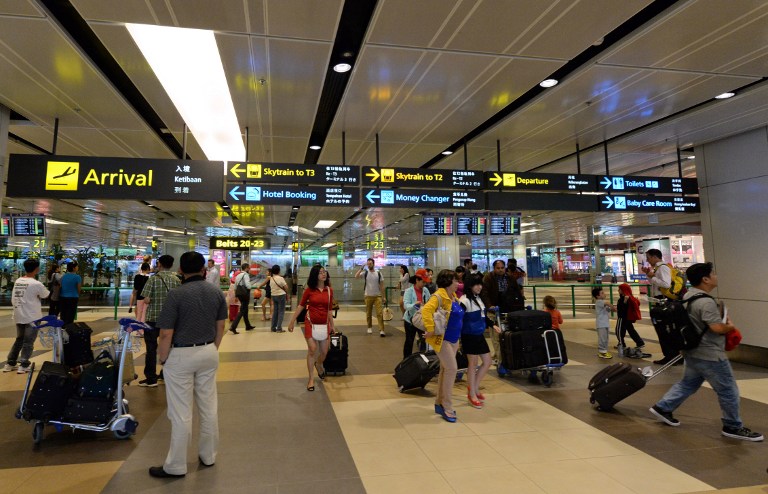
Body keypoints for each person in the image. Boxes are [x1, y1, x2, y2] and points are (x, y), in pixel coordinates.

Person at [649, 262, 763, 442]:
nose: (716, 276)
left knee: (688, 383)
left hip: (692, 351)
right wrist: (729, 326)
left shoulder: (687, 297)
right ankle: (732, 426)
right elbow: (717, 328)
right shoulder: (706, 302)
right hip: (710, 354)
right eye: (713, 274)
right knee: (728, 390)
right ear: (705, 279)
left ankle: (663, 407)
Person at [149, 251, 227, 478]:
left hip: (181, 354)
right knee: (209, 406)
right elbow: (220, 326)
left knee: (181, 412)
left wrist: (163, 358)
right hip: (209, 352)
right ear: (204, 269)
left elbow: (165, 333)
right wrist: (213, 348)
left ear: (180, 270)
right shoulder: (216, 292)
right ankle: (208, 455)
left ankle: (175, 466)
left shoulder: (176, 294)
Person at [422, 269, 462, 423]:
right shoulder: (439, 296)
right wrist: (430, 329)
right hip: (443, 340)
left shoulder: (453, 296)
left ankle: (439, 402)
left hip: (454, 339)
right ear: (448, 282)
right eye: (455, 281)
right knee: (452, 369)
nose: (458, 283)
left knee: (446, 370)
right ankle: (447, 406)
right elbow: (426, 310)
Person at [287, 265, 335, 391]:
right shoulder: (309, 290)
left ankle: (318, 364)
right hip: (310, 322)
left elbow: (330, 310)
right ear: (315, 275)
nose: (323, 274)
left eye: (324, 272)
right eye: (320, 272)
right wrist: (292, 321)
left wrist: (333, 326)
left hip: (324, 324)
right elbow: (301, 306)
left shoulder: (329, 290)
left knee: (324, 352)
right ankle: (311, 379)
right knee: (313, 349)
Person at [140, 255, 181, 387]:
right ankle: (165, 374)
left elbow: (146, 299)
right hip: (171, 319)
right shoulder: (177, 280)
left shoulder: (153, 279)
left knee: (151, 348)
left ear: (160, 264)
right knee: (170, 347)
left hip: (153, 318)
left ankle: (151, 378)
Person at [460, 273, 499, 409]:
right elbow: (458, 319)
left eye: (480, 284)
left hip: (478, 335)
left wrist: (492, 324)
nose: (479, 287)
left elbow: (483, 316)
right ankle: (472, 393)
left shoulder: (478, 299)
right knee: (473, 364)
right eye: (476, 284)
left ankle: (474, 388)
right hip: (468, 336)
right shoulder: (464, 301)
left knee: (487, 362)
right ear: (469, 286)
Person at [3, 259, 49, 373]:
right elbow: (45, 295)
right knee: (28, 342)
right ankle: (23, 365)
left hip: (19, 315)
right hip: (32, 317)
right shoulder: (36, 283)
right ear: (37, 269)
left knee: (19, 340)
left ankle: (10, 363)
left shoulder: (18, 280)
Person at [481, 260, 525, 365]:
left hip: (508, 309)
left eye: (502, 268)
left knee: (509, 334)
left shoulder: (510, 277)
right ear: (494, 268)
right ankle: (501, 360)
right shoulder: (488, 278)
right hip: (494, 310)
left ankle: (504, 356)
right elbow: (485, 293)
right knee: (496, 336)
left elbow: (516, 292)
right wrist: (489, 306)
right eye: (498, 268)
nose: (500, 270)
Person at [642, 248, 678, 365]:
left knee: (664, 330)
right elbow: (655, 282)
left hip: (663, 301)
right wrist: (649, 275)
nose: (647, 260)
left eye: (648, 257)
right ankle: (673, 355)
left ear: (654, 257)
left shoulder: (663, 267)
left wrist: (652, 276)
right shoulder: (658, 268)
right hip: (660, 300)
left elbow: (666, 284)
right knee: (666, 330)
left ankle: (670, 356)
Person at [402, 273, 430, 358]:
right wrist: (414, 304)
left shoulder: (425, 290)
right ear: (417, 280)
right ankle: (406, 360)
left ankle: (423, 359)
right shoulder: (409, 291)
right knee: (409, 341)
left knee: (424, 340)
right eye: (423, 281)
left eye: (425, 282)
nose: (424, 284)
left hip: (421, 319)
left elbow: (429, 302)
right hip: (410, 320)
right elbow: (406, 305)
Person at [355, 258, 385, 336]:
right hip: (368, 295)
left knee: (379, 313)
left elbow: (382, 286)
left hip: (377, 295)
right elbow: (356, 276)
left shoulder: (378, 273)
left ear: (373, 264)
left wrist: (383, 296)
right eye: (368, 264)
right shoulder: (365, 273)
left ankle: (381, 329)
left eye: (370, 264)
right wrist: (361, 268)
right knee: (368, 313)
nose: (369, 265)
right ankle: (369, 327)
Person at [616, 283, 645, 352]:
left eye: (619, 289)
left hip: (622, 318)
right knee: (631, 330)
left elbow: (622, 308)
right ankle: (640, 342)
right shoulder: (630, 297)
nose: (618, 290)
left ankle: (621, 344)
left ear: (623, 290)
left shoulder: (625, 299)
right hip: (628, 318)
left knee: (619, 331)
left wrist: (624, 301)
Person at [230, 263, 255, 333]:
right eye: (249, 268)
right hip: (245, 294)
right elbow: (248, 285)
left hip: (239, 294)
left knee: (245, 309)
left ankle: (248, 325)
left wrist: (236, 296)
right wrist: (250, 287)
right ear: (246, 268)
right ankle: (233, 326)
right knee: (242, 310)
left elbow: (235, 286)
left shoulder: (238, 275)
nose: (249, 269)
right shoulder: (246, 275)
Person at [592, 287, 614, 359]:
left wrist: (613, 309)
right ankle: (602, 352)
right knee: (602, 338)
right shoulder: (599, 302)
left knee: (606, 338)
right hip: (601, 324)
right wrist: (613, 307)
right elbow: (607, 303)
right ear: (597, 296)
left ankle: (604, 351)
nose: (604, 294)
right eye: (602, 293)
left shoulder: (603, 303)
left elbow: (609, 309)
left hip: (605, 324)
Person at [59, 261, 82, 325]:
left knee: (63, 314)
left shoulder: (63, 276)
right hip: (73, 297)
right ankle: (69, 328)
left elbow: (60, 286)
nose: (77, 267)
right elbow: (79, 288)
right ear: (74, 268)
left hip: (63, 297)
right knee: (71, 314)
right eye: (77, 266)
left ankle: (62, 328)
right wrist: (78, 294)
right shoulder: (77, 277)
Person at [268, 265, 289, 333]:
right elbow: (286, 287)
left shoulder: (271, 278)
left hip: (274, 296)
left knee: (275, 312)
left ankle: (273, 327)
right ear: (279, 270)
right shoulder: (280, 278)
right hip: (281, 296)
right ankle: (279, 328)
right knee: (281, 312)